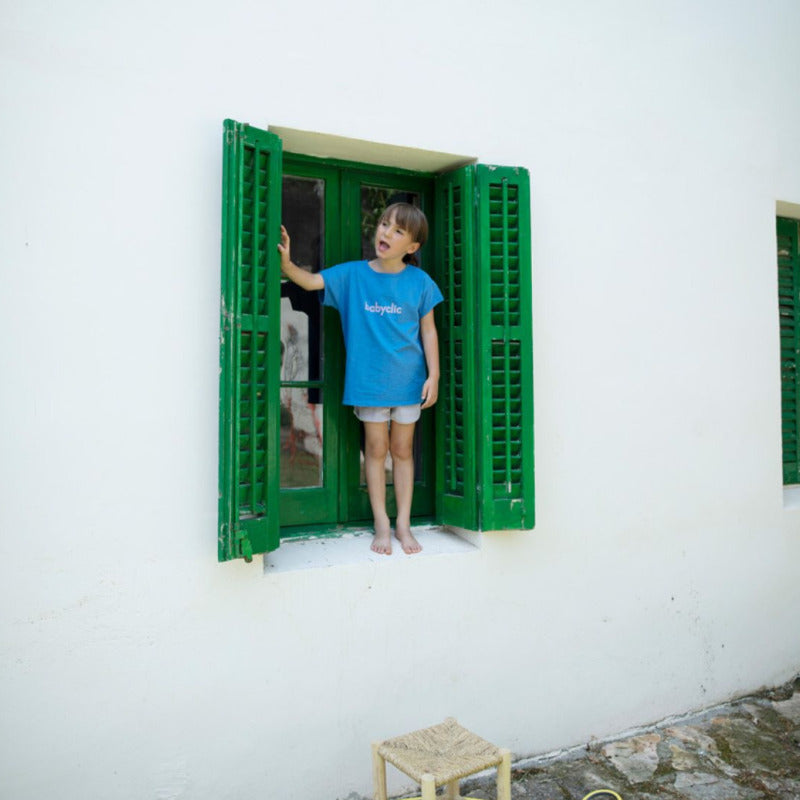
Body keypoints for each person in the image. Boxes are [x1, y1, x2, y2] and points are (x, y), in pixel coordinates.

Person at [278, 203, 443, 555]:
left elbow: (428, 332)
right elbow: (311, 281)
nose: (386, 232)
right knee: (375, 450)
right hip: (369, 384)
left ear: (412, 247)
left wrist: (435, 376)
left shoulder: (420, 283)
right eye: (384, 224)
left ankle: (403, 523)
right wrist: (288, 264)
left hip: (410, 384)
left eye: (398, 231)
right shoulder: (353, 275)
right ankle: (381, 523)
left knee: (401, 452)